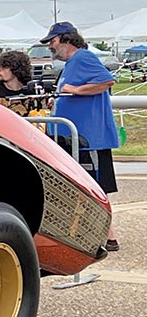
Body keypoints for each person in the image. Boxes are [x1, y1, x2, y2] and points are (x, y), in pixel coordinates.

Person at [44, 21, 121, 251]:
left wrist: (75, 91)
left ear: (66, 40)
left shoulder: (82, 57)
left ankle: (108, 237)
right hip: (77, 138)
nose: (50, 46)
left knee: (95, 187)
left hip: (89, 139)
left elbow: (106, 80)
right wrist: (58, 98)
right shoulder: (72, 63)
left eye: (53, 41)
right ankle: (101, 237)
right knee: (84, 188)